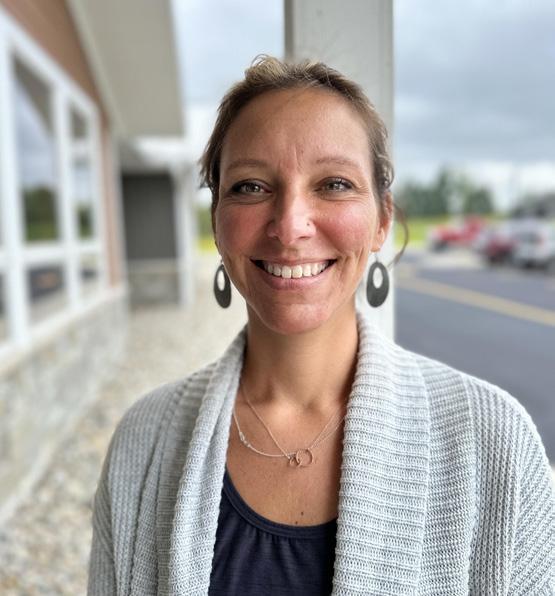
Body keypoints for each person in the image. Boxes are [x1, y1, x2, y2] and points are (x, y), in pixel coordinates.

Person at [87, 56, 555, 595]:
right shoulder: (143, 442)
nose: (290, 227)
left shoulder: (494, 442)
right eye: (251, 187)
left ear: (382, 219)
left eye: (334, 183)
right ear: (217, 221)